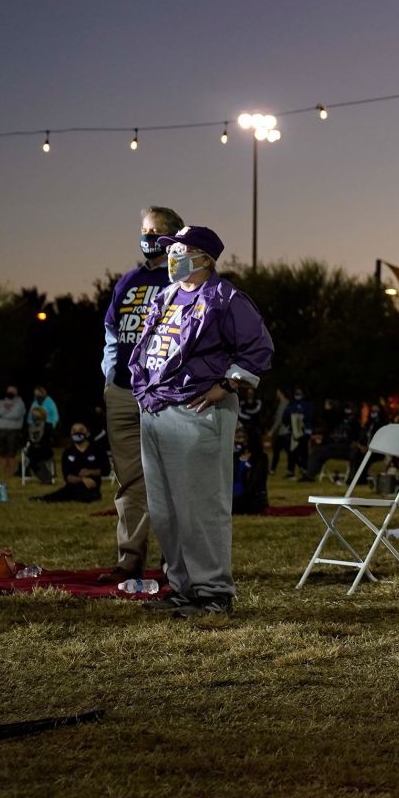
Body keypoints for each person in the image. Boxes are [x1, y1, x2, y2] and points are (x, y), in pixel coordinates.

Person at [129, 225, 273, 618]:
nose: (173, 254)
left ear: (206, 258)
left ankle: (213, 593)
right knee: (165, 509)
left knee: (200, 506)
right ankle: (181, 587)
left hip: (197, 412)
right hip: (156, 409)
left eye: (182, 248)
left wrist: (227, 384)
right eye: (171, 248)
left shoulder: (226, 299)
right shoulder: (167, 295)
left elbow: (259, 348)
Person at [100, 204, 183, 581]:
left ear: (174, 237)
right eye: (144, 230)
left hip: (161, 393)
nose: (147, 237)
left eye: (156, 232)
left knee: (168, 479)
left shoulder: (182, 282)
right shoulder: (127, 281)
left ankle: (174, 564)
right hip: (122, 392)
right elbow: (112, 334)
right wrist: (109, 377)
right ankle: (129, 560)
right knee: (130, 481)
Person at [39, 423, 107, 503]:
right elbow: (67, 477)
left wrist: (90, 472)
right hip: (71, 488)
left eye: (81, 430)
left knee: (87, 497)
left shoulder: (98, 450)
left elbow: (106, 470)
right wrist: (82, 479)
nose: (77, 433)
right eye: (74, 430)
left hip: (91, 490)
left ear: (88, 434)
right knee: (57, 496)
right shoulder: (67, 453)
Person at [276, 389, 313, 479]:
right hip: (293, 433)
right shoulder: (291, 405)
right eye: (296, 393)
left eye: (299, 393)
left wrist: (308, 430)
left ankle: (305, 470)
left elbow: (309, 418)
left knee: (304, 452)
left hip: (303, 433)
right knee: (292, 452)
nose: (298, 395)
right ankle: (290, 471)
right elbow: (285, 417)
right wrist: (289, 427)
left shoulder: (306, 405)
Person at [0, 386, 27, 476]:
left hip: (13, 431)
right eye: (9, 391)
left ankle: (11, 473)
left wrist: (1, 415)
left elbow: (16, 415)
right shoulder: (0, 402)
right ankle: (3, 473)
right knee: (2, 453)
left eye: (12, 391)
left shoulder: (20, 403)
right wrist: (6, 409)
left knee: (11, 453)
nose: (10, 393)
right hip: (0, 431)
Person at [21, 403, 55, 483]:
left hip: (45, 449)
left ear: (42, 415)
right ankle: (47, 478)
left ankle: (46, 478)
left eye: (37, 415)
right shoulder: (29, 427)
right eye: (33, 415)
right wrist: (23, 446)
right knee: (33, 457)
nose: (35, 416)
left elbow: (51, 439)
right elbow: (23, 439)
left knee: (35, 459)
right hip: (33, 449)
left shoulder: (48, 426)